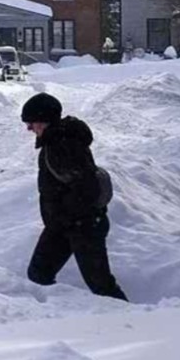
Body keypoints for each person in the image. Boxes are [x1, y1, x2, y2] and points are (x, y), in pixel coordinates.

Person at [21, 93, 128, 301]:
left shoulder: (63, 146)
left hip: (83, 226)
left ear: (44, 121)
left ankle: (136, 322)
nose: (29, 128)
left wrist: (69, 218)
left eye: (31, 122)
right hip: (63, 226)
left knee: (101, 285)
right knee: (38, 273)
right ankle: (57, 317)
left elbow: (85, 187)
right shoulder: (56, 142)